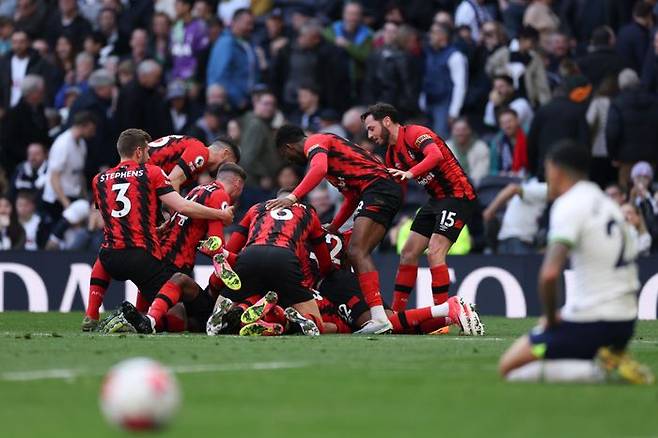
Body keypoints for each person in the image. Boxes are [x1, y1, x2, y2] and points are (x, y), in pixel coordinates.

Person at [499, 140, 653, 384]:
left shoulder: (568, 204)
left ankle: (598, 368)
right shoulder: (608, 204)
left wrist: (550, 319)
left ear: (557, 170)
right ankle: (604, 356)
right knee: (552, 347)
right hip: (625, 323)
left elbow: (549, 274)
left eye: (548, 170)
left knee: (509, 368)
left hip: (592, 323)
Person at [85, 128, 234, 333]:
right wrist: (218, 215)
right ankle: (134, 319)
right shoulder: (155, 170)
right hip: (140, 256)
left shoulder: (99, 179)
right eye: (146, 152)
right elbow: (181, 204)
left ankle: (91, 314)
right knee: (177, 310)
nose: (149, 157)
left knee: (110, 245)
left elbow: (110, 216)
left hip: (109, 259)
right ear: (138, 152)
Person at [269, 125, 402, 334]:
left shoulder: (315, 141)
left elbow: (318, 169)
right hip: (379, 190)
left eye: (285, 155)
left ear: (288, 147)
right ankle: (378, 312)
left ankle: (378, 317)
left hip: (378, 188)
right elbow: (351, 197)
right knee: (356, 253)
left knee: (357, 251)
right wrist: (334, 226)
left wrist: (292, 197)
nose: (288, 161)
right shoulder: (334, 164)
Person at [360, 103, 476, 318]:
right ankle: (396, 314)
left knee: (434, 251)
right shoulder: (391, 155)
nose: (370, 135)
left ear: (387, 121)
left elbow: (435, 156)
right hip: (435, 200)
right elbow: (398, 192)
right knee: (408, 253)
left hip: (458, 195)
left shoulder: (416, 133)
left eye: (371, 128)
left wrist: (411, 173)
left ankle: (441, 315)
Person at [212, 189, 335, 336]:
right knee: (317, 324)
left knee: (246, 294)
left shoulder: (256, 208)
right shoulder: (309, 212)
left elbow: (232, 246)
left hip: (251, 255)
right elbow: (325, 261)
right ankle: (290, 322)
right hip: (284, 258)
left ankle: (226, 314)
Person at [606, 69, 658, 189]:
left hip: (626, 158)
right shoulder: (654, 101)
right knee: (650, 190)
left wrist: (613, 155)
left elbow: (612, 132)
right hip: (652, 155)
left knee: (627, 191)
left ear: (620, 85)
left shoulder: (617, 103)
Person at [41, 111, 96, 223]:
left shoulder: (82, 144)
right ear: (83, 126)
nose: (93, 133)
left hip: (73, 193)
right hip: (57, 199)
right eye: (91, 129)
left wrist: (84, 197)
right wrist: (66, 204)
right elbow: (54, 177)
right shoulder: (63, 144)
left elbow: (80, 174)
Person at [206, 8, 257, 111]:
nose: (251, 27)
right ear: (235, 22)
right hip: (231, 105)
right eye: (248, 24)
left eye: (252, 24)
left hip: (247, 101)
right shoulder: (226, 43)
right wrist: (238, 99)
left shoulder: (247, 43)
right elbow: (220, 76)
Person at [148, 135, 240, 191]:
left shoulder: (197, 167)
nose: (226, 170)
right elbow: (172, 182)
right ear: (225, 153)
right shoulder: (201, 151)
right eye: (229, 164)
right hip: (139, 172)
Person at [423, 23, 467, 137]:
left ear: (442, 36)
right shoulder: (429, 52)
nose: (430, 35)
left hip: (444, 104)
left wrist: (454, 111)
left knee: (441, 140)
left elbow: (460, 85)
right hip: (429, 102)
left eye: (433, 32)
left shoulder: (455, 55)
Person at [322, 1, 373, 102]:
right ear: (343, 14)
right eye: (350, 14)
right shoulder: (332, 30)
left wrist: (347, 45)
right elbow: (325, 36)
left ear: (360, 16)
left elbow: (365, 56)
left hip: (357, 83)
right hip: (333, 83)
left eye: (356, 14)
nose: (353, 18)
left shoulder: (368, 35)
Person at [483, 179, 548, 254]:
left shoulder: (529, 184)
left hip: (511, 240)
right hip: (518, 241)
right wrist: (489, 212)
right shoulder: (544, 188)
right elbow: (512, 189)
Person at [170, 0, 209, 82]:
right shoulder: (176, 26)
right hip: (176, 77)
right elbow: (172, 54)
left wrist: (196, 80)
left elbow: (202, 56)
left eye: (178, 3)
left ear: (187, 6)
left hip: (193, 78)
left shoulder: (200, 27)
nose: (175, 6)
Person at [447, 117, 489, 186]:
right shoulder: (446, 147)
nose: (460, 133)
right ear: (452, 131)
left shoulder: (481, 147)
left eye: (463, 129)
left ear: (469, 130)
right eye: (457, 130)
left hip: (476, 187)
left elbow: (481, 172)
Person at [489, 108, 528, 177]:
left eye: (510, 121)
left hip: (526, 178)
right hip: (504, 180)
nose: (507, 126)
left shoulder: (527, 136)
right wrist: (500, 174)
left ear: (517, 121)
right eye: (503, 123)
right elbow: (492, 170)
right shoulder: (497, 142)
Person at [616, 1, 653, 74]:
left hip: (622, 73)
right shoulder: (641, 35)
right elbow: (644, 61)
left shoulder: (623, 30)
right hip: (634, 75)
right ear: (649, 16)